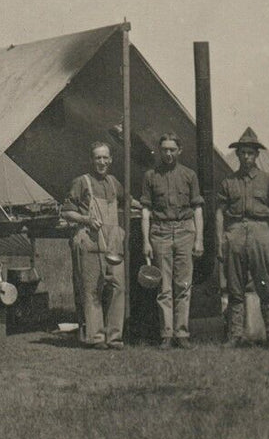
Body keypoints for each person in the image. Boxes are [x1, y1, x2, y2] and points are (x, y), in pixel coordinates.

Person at [216, 127, 269, 349]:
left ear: (257, 155)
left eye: (250, 153)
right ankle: (235, 335)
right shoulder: (228, 182)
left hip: (260, 233)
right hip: (235, 234)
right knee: (235, 288)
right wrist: (220, 240)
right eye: (243, 153)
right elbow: (219, 213)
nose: (246, 157)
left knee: (265, 286)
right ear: (237, 154)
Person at [61, 141, 128, 350]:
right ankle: (96, 337)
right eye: (98, 158)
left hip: (112, 241)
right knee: (92, 289)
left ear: (111, 160)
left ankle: (114, 337)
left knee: (118, 287)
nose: (102, 162)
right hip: (90, 240)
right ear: (91, 160)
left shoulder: (114, 183)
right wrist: (86, 219)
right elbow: (66, 211)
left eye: (105, 157)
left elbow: (127, 201)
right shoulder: (82, 182)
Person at [140, 133, 204, 349]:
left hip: (185, 231)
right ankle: (166, 333)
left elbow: (197, 208)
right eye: (164, 150)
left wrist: (199, 239)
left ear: (179, 151)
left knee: (183, 284)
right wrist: (146, 241)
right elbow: (146, 210)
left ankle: (182, 333)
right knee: (164, 286)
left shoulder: (189, 175)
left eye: (172, 150)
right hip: (160, 232)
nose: (168, 154)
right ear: (159, 151)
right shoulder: (151, 176)